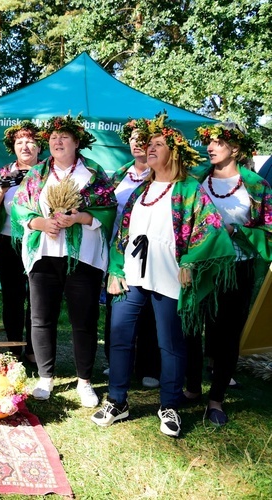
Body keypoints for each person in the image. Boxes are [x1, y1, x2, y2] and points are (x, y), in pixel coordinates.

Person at [91, 114, 236, 437]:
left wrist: (190, 263)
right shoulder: (141, 190)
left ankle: (169, 405)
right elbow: (122, 235)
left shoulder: (188, 189)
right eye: (149, 144)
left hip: (169, 276)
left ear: (175, 152)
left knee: (171, 343)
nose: (149, 148)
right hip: (132, 275)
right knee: (119, 335)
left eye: (157, 145)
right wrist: (115, 268)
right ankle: (117, 401)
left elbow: (212, 232)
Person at [11, 114, 117, 407]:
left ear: (77, 142)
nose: (57, 142)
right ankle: (45, 377)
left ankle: (84, 381)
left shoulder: (93, 174)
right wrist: (38, 224)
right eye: (54, 138)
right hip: (44, 255)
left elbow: (109, 209)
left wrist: (81, 218)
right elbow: (20, 208)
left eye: (65, 137)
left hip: (82, 257)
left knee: (83, 319)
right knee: (41, 318)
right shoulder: (37, 174)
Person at [184, 122, 272, 425]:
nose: (210, 147)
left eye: (218, 143)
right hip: (198, 267)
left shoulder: (256, 185)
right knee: (191, 328)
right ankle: (192, 389)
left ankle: (216, 400)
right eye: (209, 142)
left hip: (236, 268)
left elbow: (268, 227)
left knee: (227, 334)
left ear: (235, 149)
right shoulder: (196, 180)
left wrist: (236, 230)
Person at [103, 120, 161, 388]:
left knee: (150, 308)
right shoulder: (118, 176)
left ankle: (149, 365)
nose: (138, 143)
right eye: (133, 139)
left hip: (153, 252)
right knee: (117, 304)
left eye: (144, 139)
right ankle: (115, 362)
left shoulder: (161, 175)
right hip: (119, 251)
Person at [0, 122, 41, 363]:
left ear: (39, 147)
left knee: (38, 297)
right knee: (12, 296)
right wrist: (2, 188)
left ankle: (34, 348)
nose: (25, 146)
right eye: (19, 143)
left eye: (29, 142)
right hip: (8, 242)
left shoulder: (49, 171)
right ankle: (14, 346)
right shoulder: (5, 171)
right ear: (13, 148)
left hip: (40, 241)